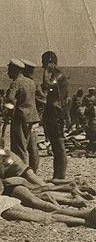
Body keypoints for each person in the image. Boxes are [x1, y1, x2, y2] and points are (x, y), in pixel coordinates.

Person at [7, 59, 40, 172]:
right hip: (33, 117)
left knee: (19, 148)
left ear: (15, 69)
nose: (8, 72)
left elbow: (11, 99)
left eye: (9, 69)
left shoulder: (16, 82)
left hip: (20, 117)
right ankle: (34, 172)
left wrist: (9, 111)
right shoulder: (31, 82)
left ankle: (22, 173)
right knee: (33, 148)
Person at [41, 51, 70, 180]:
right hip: (53, 112)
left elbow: (46, 86)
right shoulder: (57, 75)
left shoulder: (57, 75)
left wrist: (46, 71)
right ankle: (57, 175)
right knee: (56, 146)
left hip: (56, 113)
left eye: (44, 63)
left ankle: (60, 176)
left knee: (58, 146)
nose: (43, 66)